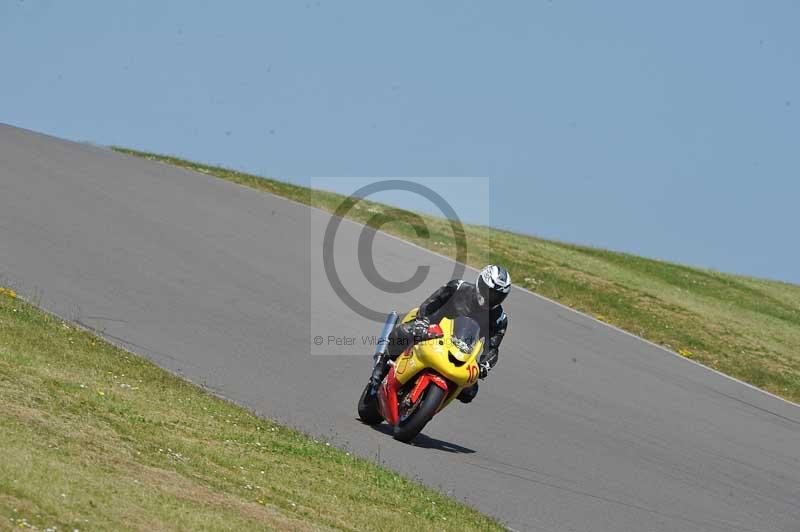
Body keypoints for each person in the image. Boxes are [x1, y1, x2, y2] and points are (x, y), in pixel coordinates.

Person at [370, 264, 511, 403]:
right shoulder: (458, 287)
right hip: (431, 331)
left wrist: (485, 365)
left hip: (461, 350)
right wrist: (422, 320)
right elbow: (430, 304)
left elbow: (493, 348)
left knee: (470, 391)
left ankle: (432, 401)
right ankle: (381, 366)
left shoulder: (499, 319)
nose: (492, 298)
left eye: (498, 296)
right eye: (490, 293)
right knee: (402, 332)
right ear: (481, 283)